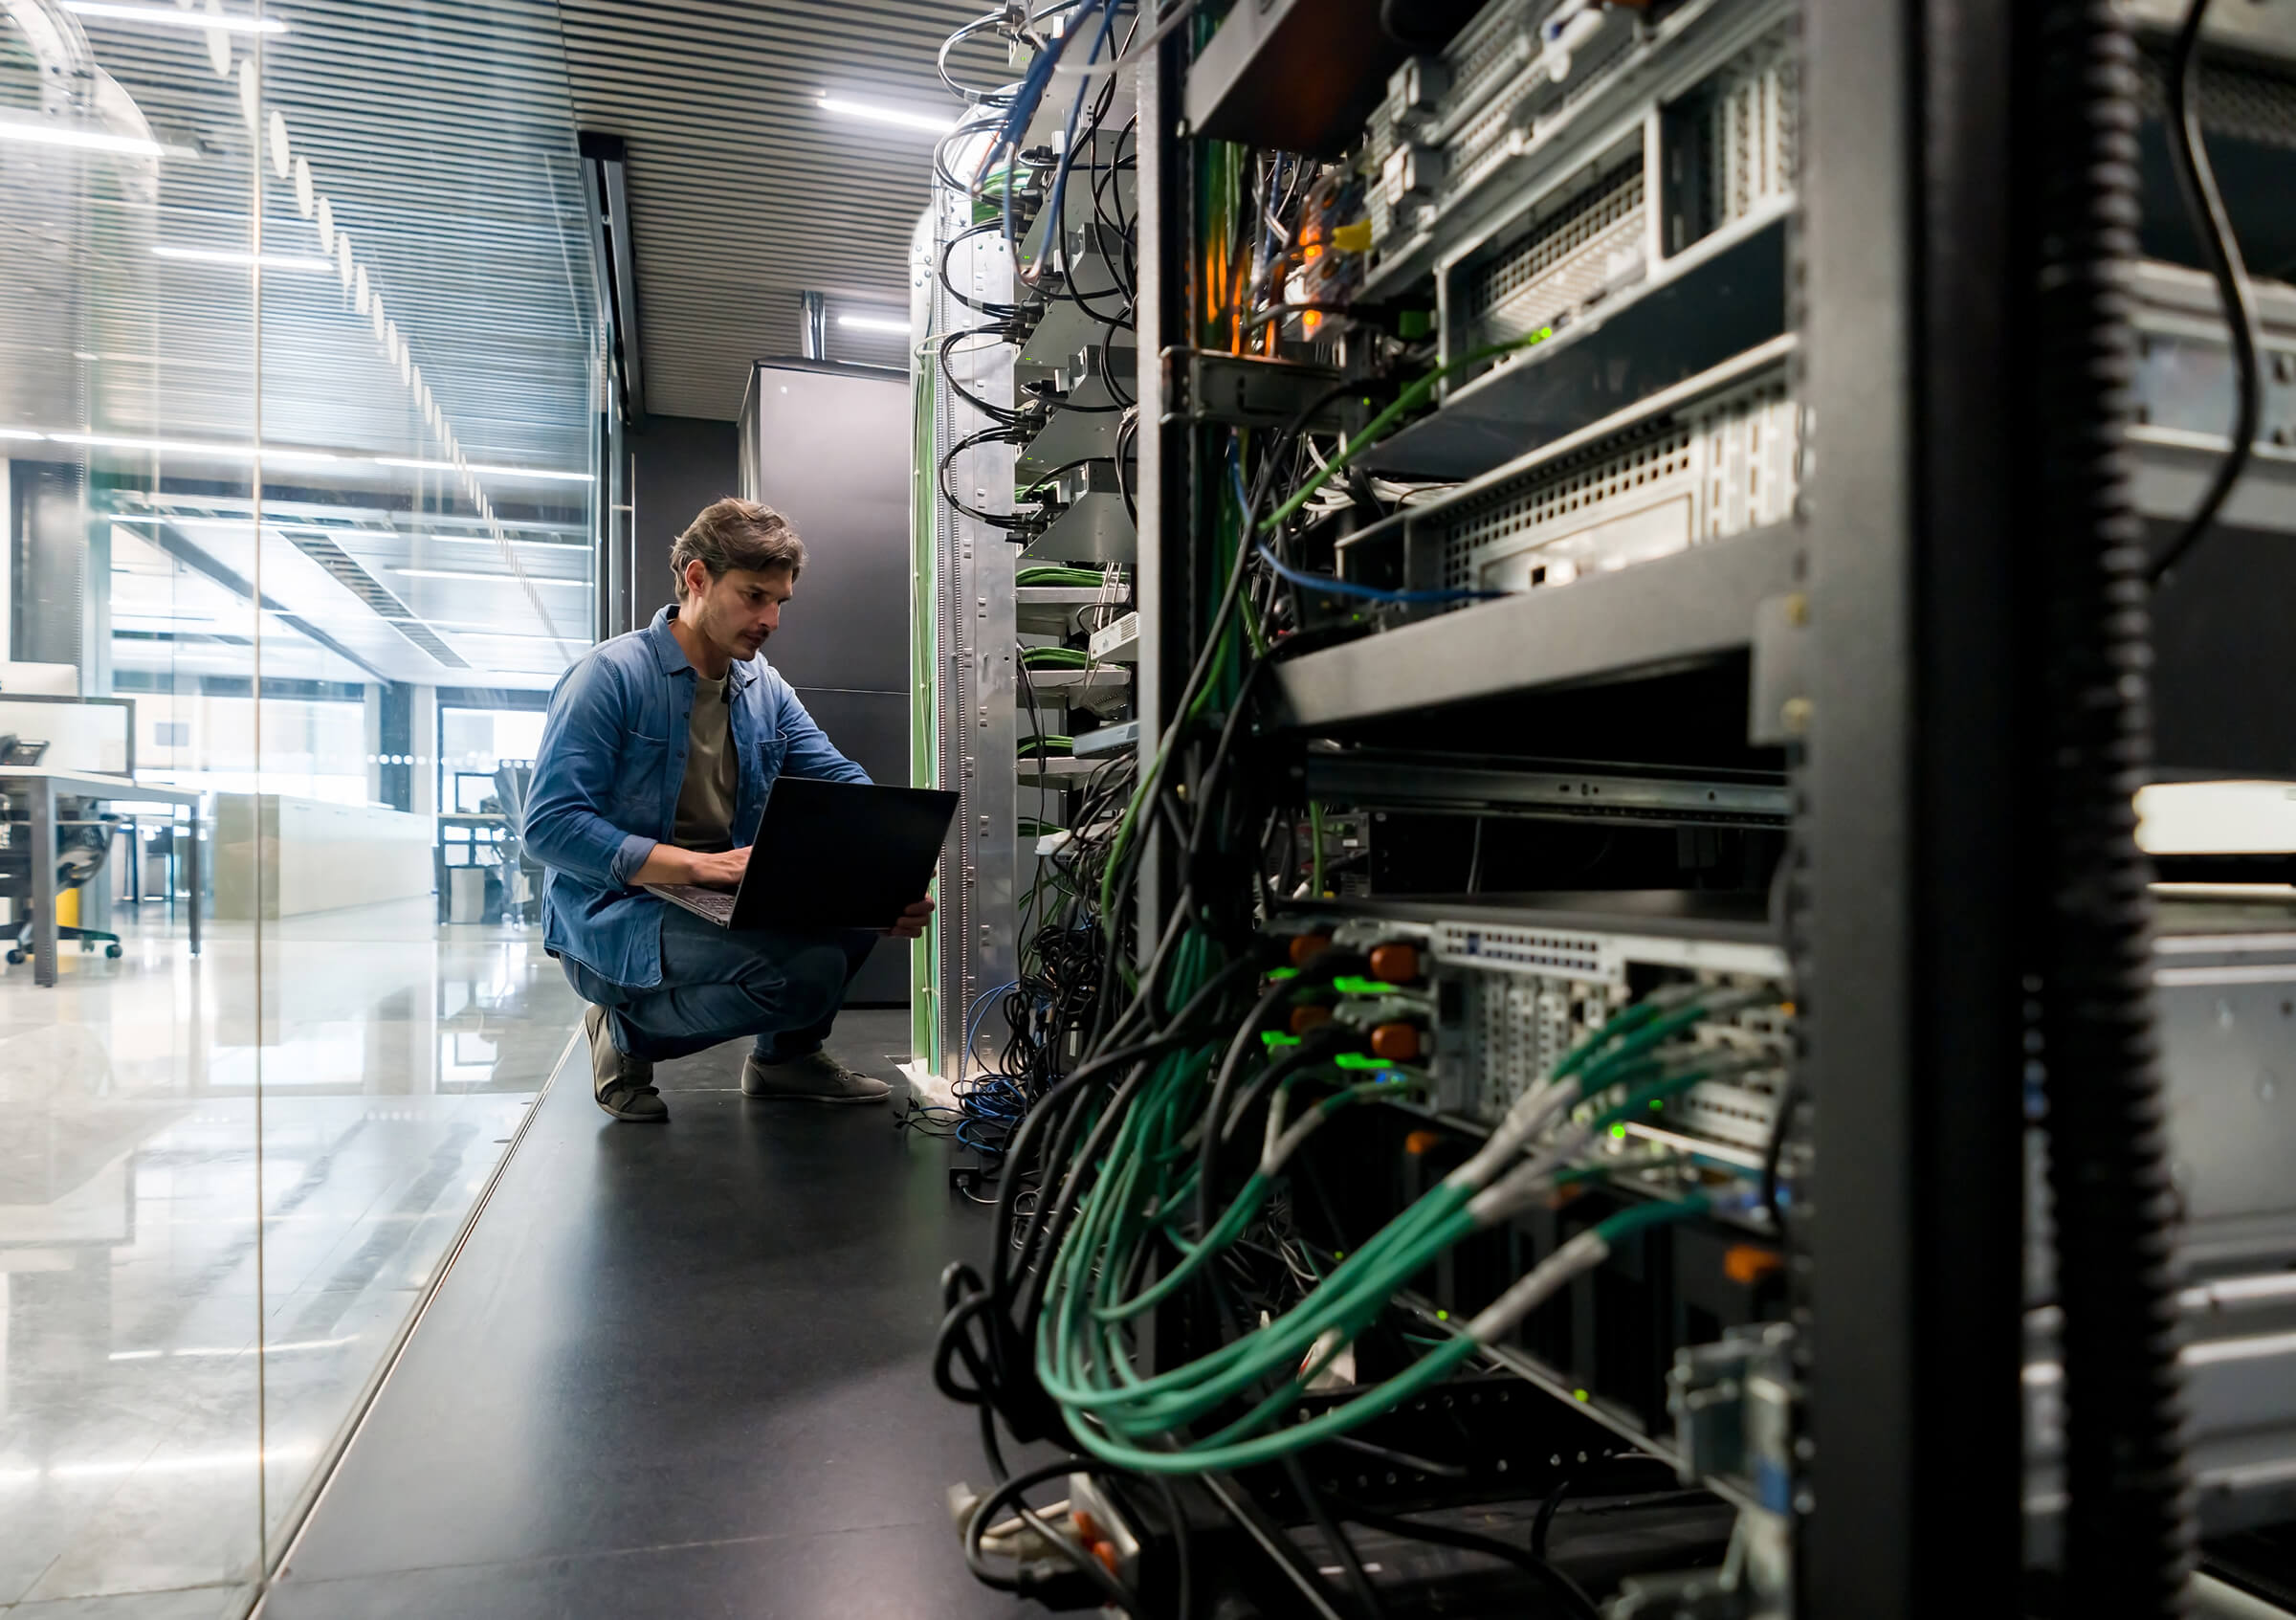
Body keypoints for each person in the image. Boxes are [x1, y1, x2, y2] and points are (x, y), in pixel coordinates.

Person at [522, 498, 933, 1122]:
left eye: (780, 602)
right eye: (753, 596)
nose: (770, 618)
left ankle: (784, 1060)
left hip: (715, 893)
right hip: (616, 909)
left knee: (852, 921)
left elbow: (839, 779)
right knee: (806, 972)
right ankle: (624, 1033)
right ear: (696, 578)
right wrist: (694, 867)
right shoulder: (609, 677)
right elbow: (548, 826)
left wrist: (880, 873)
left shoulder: (763, 686)